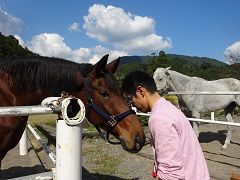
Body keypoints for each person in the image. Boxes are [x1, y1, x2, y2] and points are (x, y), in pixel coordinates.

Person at [121, 70, 210, 180]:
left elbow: (171, 174)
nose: (132, 104)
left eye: (130, 99)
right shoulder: (168, 108)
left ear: (140, 91)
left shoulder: (159, 118)